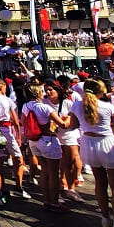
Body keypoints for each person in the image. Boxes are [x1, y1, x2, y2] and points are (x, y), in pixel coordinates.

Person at [67, 79, 114, 227]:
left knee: (100, 183)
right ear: (101, 91)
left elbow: (73, 126)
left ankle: (105, 219)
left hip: (89, 144)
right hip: (108, 143)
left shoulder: (76, 106)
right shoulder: (109, 107)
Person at [22, 83, 69, 212]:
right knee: (53, 172)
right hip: (47, 139)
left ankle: (46, 200)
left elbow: (23, 122)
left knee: (44, 170)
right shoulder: (45, 108)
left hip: (34, 141)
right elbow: (63, 124)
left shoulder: (25, 106)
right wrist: (68, 119)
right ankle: (54, 202)